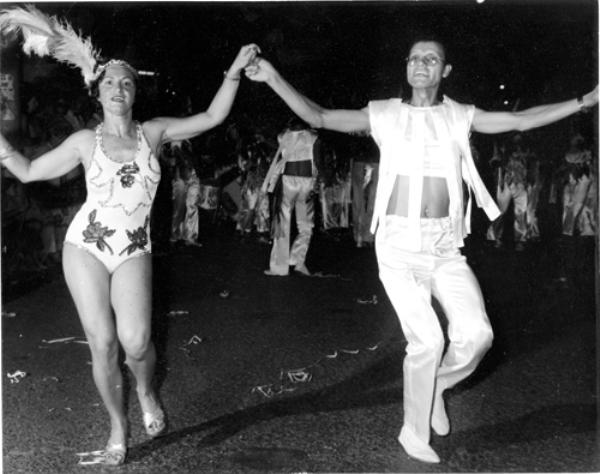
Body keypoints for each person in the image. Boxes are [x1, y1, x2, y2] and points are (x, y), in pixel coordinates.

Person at [245, 36, 598, 463]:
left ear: (444, 71)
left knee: (478, 335)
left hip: (446, 246)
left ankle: (437, 386)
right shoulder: (386, 114)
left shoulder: (459, 116)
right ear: (406, 67)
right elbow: (318, 115)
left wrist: (586, 100)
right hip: (397, 246)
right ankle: (413, 433)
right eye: (414, 58)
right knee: (427, 340)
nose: (421, 65)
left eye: (431, 59)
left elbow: (520, 121)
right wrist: (272, 78)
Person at [0, 5, 260, 465]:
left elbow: (212, 117)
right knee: (102, 342)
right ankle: (118, 428)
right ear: (96, 90)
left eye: (126, 82)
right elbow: (26, 170)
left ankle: (145, 390)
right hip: (86, 246)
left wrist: (235, 71)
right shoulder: (84, 142)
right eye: (109, 82)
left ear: (135, 92)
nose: (118, 88)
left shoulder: (154, 134)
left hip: (134, 248)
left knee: (137, 341)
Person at [261, 118, 322, 276]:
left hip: (289, 182)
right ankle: (297, 260)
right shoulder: (313, 136)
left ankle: (280, 267)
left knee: (283, 223)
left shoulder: (283, 136)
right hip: (306, 182)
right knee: (306, 224)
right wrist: (318, 182)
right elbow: (318, 162)